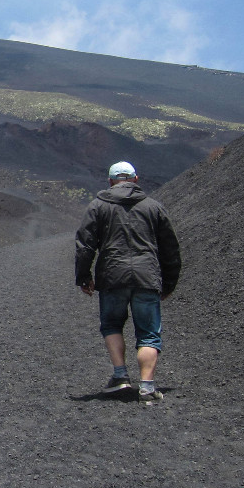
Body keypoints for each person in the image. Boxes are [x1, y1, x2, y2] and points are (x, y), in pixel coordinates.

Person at [75, 161, 181, 404]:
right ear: (135, 179)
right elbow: (170, 249)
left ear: (110, 181)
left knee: (111, 324)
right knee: (149, 334)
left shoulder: (98, 206)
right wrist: (169, 282)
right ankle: (147, 387)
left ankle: (120, 375)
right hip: (146, 277)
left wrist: (84, 276)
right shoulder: (153, 207)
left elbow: (85, 245)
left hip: (112, 276)